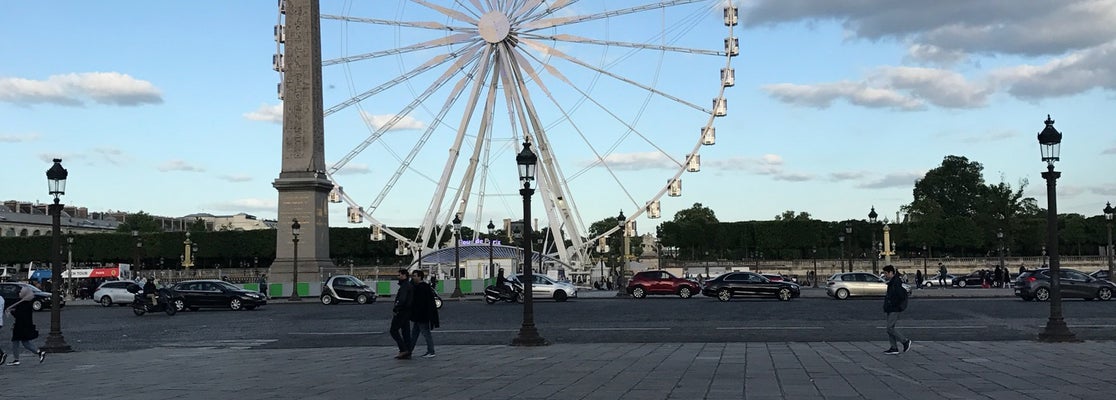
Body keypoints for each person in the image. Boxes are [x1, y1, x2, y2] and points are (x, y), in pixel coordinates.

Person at [6, 287, 46, 365]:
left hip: (20, 326)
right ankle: (39, 352)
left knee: (15, 341)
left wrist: (11, 312)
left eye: (21, 292)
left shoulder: (22, 303)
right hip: (26, 325)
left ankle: (16, 359)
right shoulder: (28, 303)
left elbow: (19, 315)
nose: (19, 294)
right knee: (25, 342)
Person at [881, 265, 911, 355]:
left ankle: (905, 341)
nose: (885, 275)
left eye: (886, 273)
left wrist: (893, 303)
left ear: (891, 273)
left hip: (894, 308)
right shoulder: (894, 281)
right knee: (890, 328)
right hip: (891, 307)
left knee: (889, 328)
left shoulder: (896, 282)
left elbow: (900, 296)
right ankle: (894, 348)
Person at [409, 270, 439, 358]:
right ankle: (409, 350)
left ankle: (431, 351)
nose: (413, 277)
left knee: (425, 333)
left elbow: (420, 303)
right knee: (415, 334)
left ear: (420, 277)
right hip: (421, 315)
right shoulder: (424, 286)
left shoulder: (420, 287)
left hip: (422, 315)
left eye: (414, 276)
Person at [389, 269, 414, 360]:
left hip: (402, 311)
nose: (398, 277)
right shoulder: (409, 285)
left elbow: (402, 299)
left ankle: (403, 349)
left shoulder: (404, 286)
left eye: (399, 275)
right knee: (406, 331)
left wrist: (396, 307)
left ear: (404, 276)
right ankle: (408, 351)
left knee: (393, 330)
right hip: (407, 311)